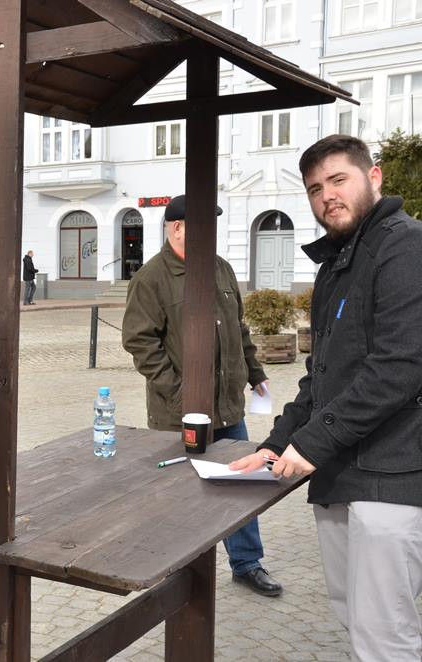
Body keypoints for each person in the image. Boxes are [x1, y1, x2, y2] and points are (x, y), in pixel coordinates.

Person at [231, 134, 422, 660]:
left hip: (391, 477)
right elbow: (320, 378)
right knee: (352, 614)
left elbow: (400, 368)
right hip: (338, 474)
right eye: (315, 189)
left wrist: (311, 445)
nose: (327, 197)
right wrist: (274, 445)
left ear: (374, 176)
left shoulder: (405, 244)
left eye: (338, 180)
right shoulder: (336, 265)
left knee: (385, 633)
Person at [122, 194, 282, 597]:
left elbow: (238, 329)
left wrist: (256, 373)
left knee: (241, 487)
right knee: (181, 495)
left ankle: (247, 563)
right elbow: (140, 343)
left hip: (228, 409)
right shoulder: (152, 278)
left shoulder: (221, 269)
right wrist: (179, 394)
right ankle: (181, 572)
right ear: (177, 229)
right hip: (179, 414)